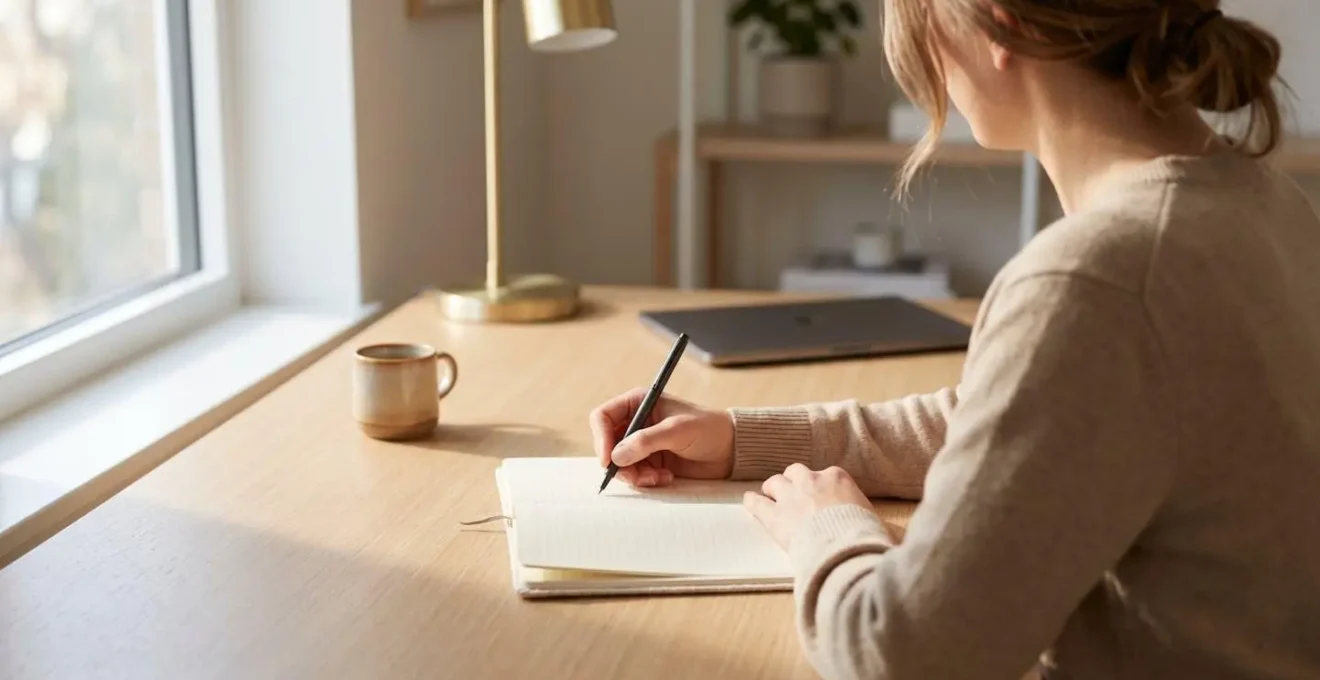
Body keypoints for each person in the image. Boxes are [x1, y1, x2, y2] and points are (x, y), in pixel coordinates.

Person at [590, 1, 1320, 678]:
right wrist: (744, 442)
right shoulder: (1263, 204)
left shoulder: (1100, 278)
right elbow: (1026, 422)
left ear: (999, 28)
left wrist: (829, 528)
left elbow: (903, 653)